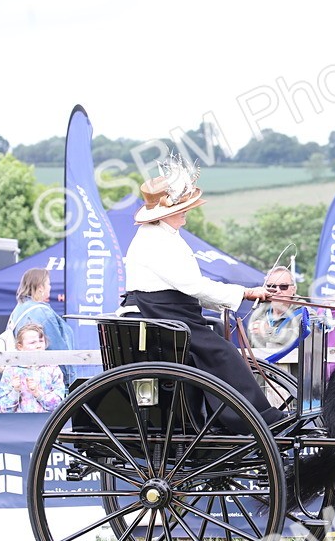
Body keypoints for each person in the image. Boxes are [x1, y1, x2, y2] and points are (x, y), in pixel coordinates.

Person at [121, 158, 285, 426]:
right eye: (183, 208)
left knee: (219, 336)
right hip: (160, 312)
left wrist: (247, 293)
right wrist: (244, 292)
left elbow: (192, 288)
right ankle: (256, 419)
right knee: (222, 351)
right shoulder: (153, 241)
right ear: (164, 212)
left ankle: (226, 418)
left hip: (173, 309)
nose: (187, 213)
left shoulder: (166, 236)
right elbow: (193, 286)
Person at [7, 267, 76, 386]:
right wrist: (69, 382)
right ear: (40, 288)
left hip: (24, 377)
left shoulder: (17, 310)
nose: (50, 287)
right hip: (48, 381)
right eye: (48, 284)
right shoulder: (42, 312)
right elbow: (58, 350)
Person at [0, 323, 67, 413]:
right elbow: (3, 410)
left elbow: (60, 406)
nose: (38, 345)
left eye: (41, 341)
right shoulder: (11, 370)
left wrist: (38, 393)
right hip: (18, 423)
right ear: (20, 346)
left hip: (46, 423)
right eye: (32, 342)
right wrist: (15, 391)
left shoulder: (53, 369)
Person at [247, 267, 306, 351]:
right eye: (272, 286)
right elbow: (251, 348)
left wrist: (268, 331)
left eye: (283, 286)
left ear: (293, 289)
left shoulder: (305, 313)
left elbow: (306, 338)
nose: (277, 291)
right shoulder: (257, 315)